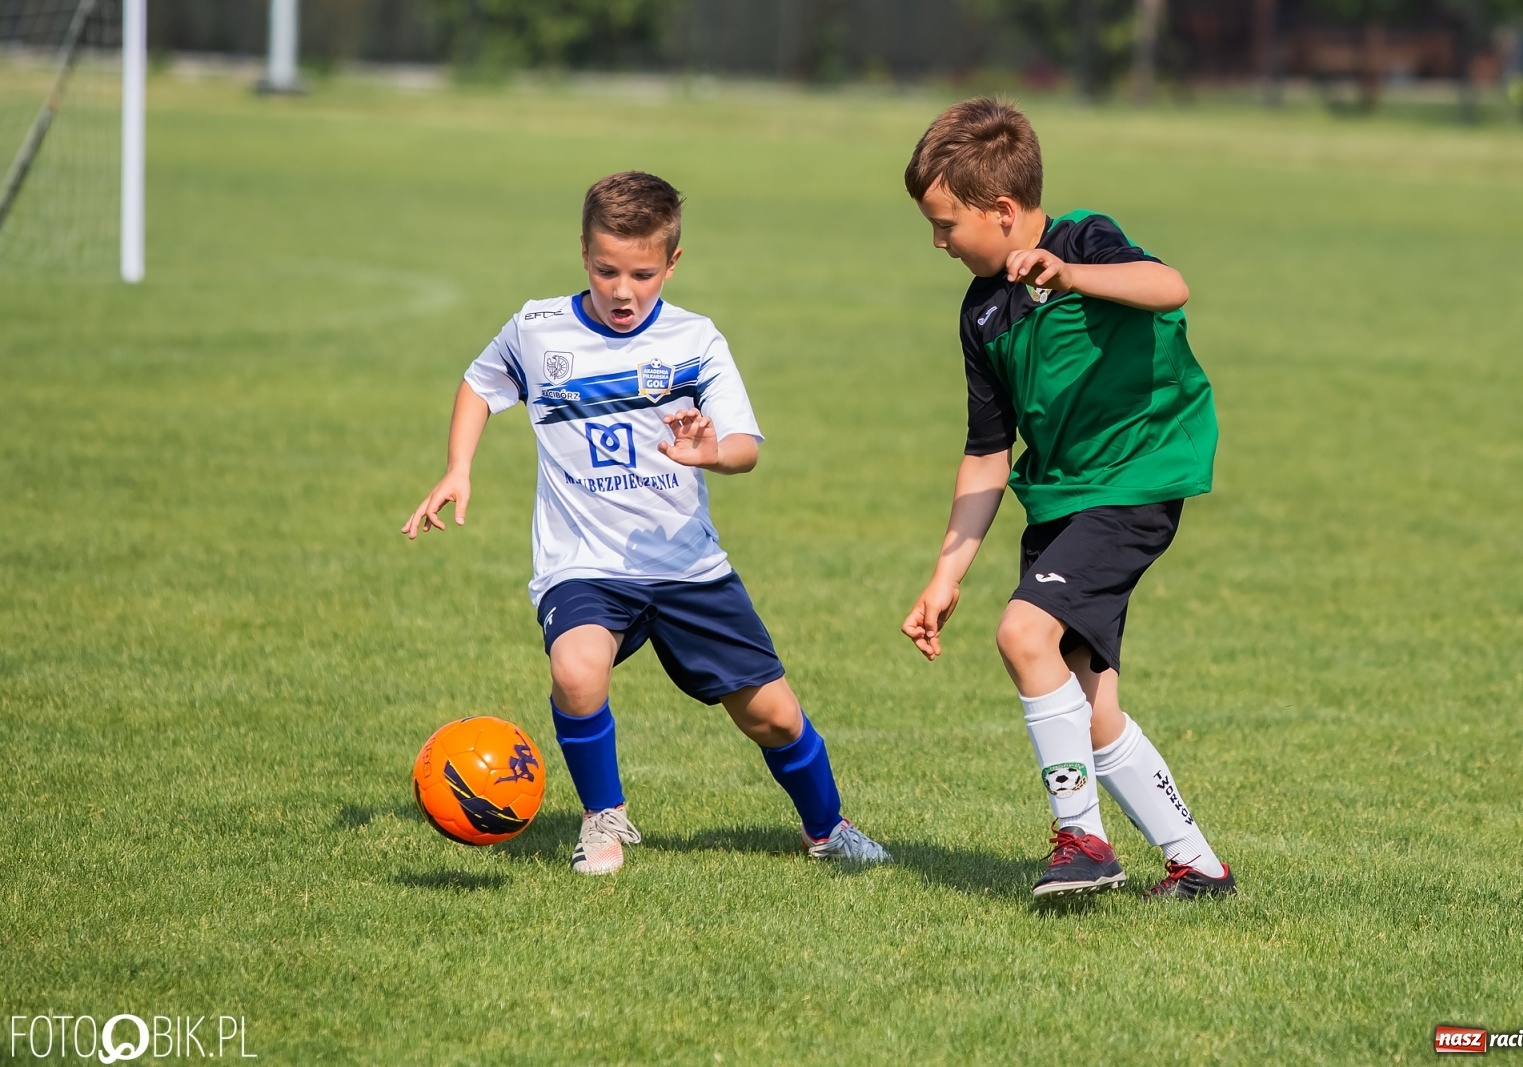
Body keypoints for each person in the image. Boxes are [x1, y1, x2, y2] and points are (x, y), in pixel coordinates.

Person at [404, 171, 889, 875]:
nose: (622, 290)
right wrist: (458, 467)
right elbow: (480, 384)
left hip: (687, 565)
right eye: (605, 270)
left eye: (642, 272)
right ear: (582, 254)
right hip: (586, 562)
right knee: (576, 669)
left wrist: (710, 451)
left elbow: (747, 449)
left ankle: (828, 827)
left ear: (672, 263)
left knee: (774, 717)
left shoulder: (695, 340)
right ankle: (604, 819)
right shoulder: (539, 329)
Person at [898, 99, 1234, 900]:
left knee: (1022, 632)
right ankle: (1200, 867)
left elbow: (1169, 285)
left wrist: (1073, 274)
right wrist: (946, 575)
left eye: (947, 224)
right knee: (1090, 708)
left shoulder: (1085, 240)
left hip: (1134, 482)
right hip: (1059, 500)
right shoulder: (981, 310)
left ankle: (1082, 842)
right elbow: (987, 452)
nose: (938, 242)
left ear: (1004, 211)